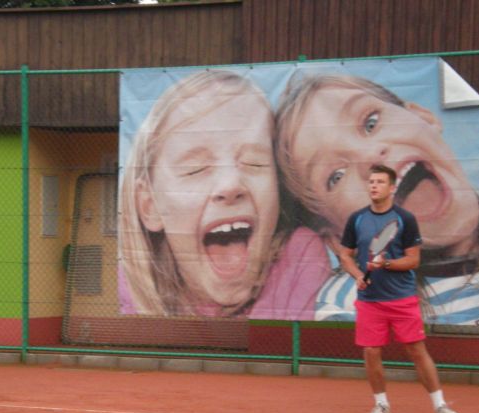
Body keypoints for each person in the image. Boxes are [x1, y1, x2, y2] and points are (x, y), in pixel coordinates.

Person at [275, 72, 479, 325]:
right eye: (336, 176)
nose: (369, 156)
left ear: (423, 117)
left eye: (371, 123)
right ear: (337, 237)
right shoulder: (345, 302)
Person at [118, 69, 330, 319]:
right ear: (150, 205)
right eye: (196, 169)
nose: (231, 185)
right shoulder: (130, 283)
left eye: (254, 163)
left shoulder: (297, 258)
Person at [338, 164, 462, 413]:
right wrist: (358, 275)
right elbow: (345, 255)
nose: (374, 186)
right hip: (370, 301)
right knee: (371, 351)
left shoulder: (405, 219)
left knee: (416, 350)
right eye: (371, 182)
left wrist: (386, 263)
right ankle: (381, 405)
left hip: (401, 298)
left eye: (380, 182)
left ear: (392, 188)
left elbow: (413, 260)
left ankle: (441, 407)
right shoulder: (357, 219)